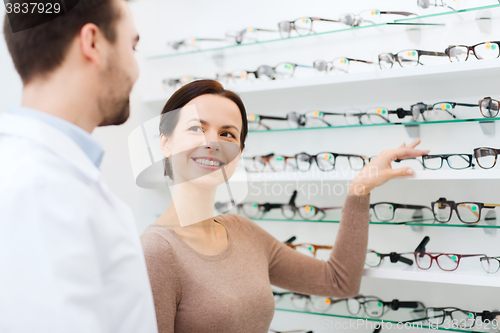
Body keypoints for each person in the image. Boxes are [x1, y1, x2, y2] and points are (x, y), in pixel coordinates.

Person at [140, 79, 429, 333]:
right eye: (196, 128)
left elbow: (339, 282)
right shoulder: (156, 252)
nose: (212, 143)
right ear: (165, 143)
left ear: (239, 153)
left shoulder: (242, 232)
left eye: (227, 134)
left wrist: (360, 189)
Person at [0, 1, 157, 332]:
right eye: (133, 45)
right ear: (93, 43)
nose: (135, 68)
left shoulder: (43, 174)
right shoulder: (40, 188)